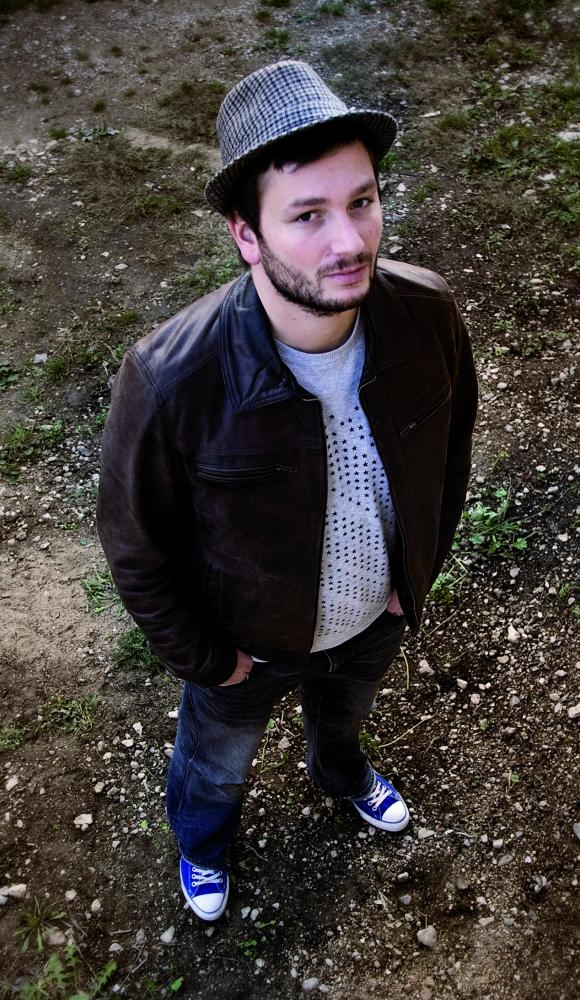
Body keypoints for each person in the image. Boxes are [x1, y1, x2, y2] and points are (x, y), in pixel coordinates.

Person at [96, 60, 478, 922]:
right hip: (248, 647)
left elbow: (450, 455)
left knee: (343, 722)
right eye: (307, 215)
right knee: (214, 765)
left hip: (375, 614)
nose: (350, 241)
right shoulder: (170, 378)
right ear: (246, 235)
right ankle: (203, 842)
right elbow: (134, 542)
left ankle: (340, 774)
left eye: (362, 201)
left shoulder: (428, 315)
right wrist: (208, 660)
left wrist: (411, 577)